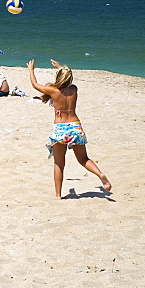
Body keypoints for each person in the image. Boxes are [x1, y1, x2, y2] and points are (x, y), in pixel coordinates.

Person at [28, 59, 111, 199]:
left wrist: (31, 70)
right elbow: (67, 75)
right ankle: (100, 174)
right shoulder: (74, 89)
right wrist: (61, 67)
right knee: (83, 158)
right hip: (75, 126)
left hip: (61, 128)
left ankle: (58, 195)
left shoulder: (53, 91)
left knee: (59, 163)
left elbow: (35, 85)